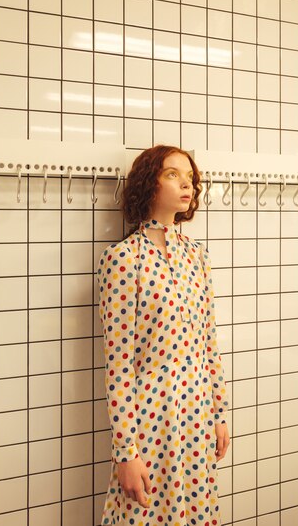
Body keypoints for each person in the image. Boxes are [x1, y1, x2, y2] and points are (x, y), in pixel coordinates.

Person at [97, 144, 230, 526]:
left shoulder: (197, 256)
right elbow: (119, 365)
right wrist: (126, 452)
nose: (186, 183)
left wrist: (219, 412)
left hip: (197, 414)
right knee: (145, 515)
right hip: (150, 421)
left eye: (189, 176)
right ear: (148, 183)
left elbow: (209, 342)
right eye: (173, 174)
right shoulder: (123, 259)